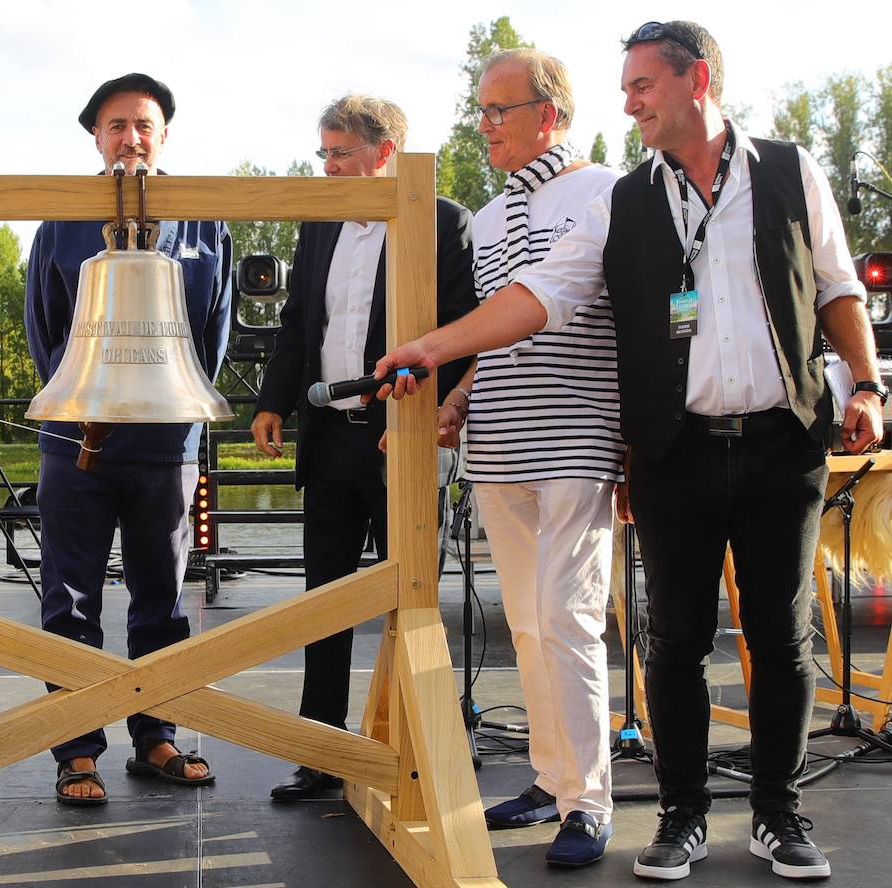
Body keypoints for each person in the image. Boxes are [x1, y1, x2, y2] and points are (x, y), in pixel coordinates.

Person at [374, 21, 885, 882]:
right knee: (671, 637)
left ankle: (776, 813)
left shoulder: (788, 171)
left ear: (700, 79)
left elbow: (837, 286)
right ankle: (679, 815)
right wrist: (441, 358)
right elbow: (542, 295)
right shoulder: (628, 198)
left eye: (642, 85)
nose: (629, 101)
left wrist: (865, 385)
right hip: (671, 449)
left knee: (779, 635)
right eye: (625, 87)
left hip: (775, 442)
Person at [249, 94, 477, 801]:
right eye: (324, 153)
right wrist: (270, 401)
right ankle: (320, 750)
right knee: (325, 598)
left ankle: (417, 749)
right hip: (330, 440)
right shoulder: (318, 229)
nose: (327, 167)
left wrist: (436, 411)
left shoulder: (443, 221)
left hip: (400, 441)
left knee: (410, 602)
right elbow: (297, 327)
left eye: (339, 153)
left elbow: (467, 327)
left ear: (385, 154)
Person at [25, 72, 231, 805]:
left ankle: (157, 734)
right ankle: (76, 747)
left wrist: (170, 402)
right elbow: (45, 327)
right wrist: (87, 402)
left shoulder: (207, 224)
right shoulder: (59, 222)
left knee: (163, 598)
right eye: (116, 126)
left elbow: (210, 333)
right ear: (96, 137)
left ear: (164, 134)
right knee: (69, 601)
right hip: (77, 443)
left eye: (143, 124)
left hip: (166, 445)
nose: (130, 138)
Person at [454, 49, 623, 867]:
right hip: (499, 442)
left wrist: (635, 439)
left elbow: (641, 317)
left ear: (549, 114)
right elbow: (497, 323)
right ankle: (553, 781)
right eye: (480, 110)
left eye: (498, 110)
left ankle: (590, 802)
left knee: (569, 620)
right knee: (524, 623)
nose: (483, 124)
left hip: (580, 436)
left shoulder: (609, 192)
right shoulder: (486, 218)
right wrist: (459, 396)